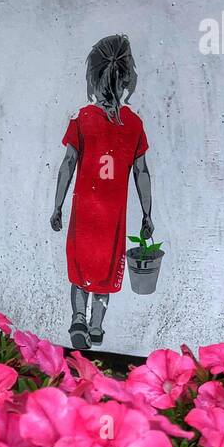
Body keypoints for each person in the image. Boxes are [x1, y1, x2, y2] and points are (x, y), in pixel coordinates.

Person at [51, 35, 154, 349]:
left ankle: (78, 319)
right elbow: (142, 173)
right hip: (113, 218)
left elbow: (68, 164)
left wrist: (57, 207)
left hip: (85, 214)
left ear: (93, 79)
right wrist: (147, 214)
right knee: (105, 276)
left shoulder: (83, 119)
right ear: (126, 80)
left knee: (79, 273)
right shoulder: (134, 125)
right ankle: (96, 326)